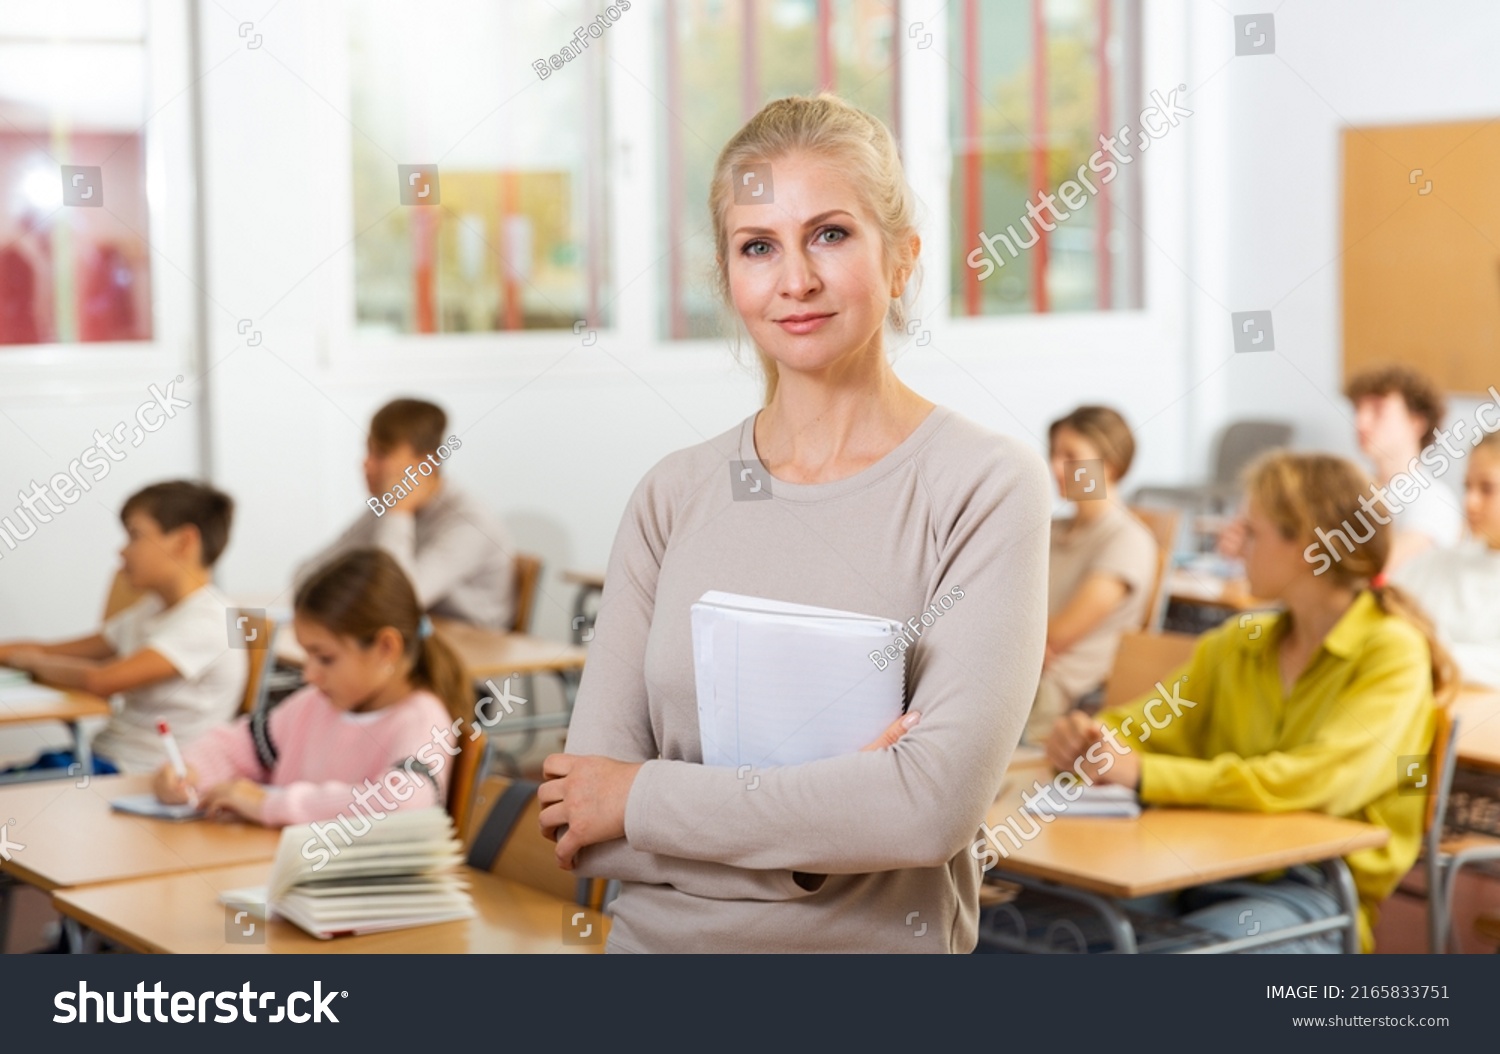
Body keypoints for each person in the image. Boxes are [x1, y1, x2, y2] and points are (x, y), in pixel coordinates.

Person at [535, 93, 1051, 953]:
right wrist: (831, 832)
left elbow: (925, 814)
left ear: (902, 260)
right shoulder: (673, 494)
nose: (795, 280)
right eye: (758, 247)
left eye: (831, 234)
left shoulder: (986, 486)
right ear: (729, 276)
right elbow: (585, 819)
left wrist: (646, 798)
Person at [1046, 451, 1452, 952]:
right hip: (1194, 864)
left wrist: (1147, 775)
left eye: (1251, 531)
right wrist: (1089, 740)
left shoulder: (1392, 652)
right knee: (1045, 936)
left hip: (1310, 891)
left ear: (1307, 544)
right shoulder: (1239, 642)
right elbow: (1140, 726)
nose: (1234, 544)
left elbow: (1317, 783)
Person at [155, 549, 470, 825]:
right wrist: (187, 771)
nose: (309, 675)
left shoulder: (422, 720)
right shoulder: (313, 705)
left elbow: (402, 804)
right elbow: (236, 746)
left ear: (386, 648)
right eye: (308, 656)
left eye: (325, 658)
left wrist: (268, 804)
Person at [0, 482, 245, 774]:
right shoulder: (153, 609)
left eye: (134, 536)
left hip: (142, 774)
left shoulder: (208, 621)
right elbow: (55, 650)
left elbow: (101, 681)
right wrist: (12, 653)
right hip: (100, 758)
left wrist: (28, 661)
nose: (122, 551)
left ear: (184, 541)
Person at [295, 398, 515, 630]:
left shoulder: (469, 522)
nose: (366, 465)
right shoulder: (386, 508)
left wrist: (398, 512)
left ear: (426, 464)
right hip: (412, 641)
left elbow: (396, 600)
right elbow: (306, 575)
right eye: (367, 451)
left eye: (381, 454)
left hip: (473, 652)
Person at [1024, 406, 1157, 742]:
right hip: (1019, 674)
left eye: (1071, 455)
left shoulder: (1127, 539)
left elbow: (1055, 637)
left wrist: (1028, 636)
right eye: (1053, 453)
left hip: (1053, 697)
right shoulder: (1050, 530)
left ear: (1108, 465)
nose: (1055, 467)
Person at [1393, 430, 1500, 689]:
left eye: (1486, 489)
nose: (1470, 502)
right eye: (1467, 487)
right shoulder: (1436, 564)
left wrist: (1429, 653)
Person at [1345, 365, 1462, 571]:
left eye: (1377, 410)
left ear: (1416, 422)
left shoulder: (1433, 500)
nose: (1360, 422)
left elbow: (1381, 570)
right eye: (1358, 410)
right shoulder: (1355, 493)